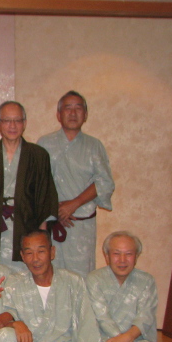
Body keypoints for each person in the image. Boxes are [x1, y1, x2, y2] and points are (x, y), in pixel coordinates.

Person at [37, 91, 115, 275]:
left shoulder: (94, 146)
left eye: (78, 108)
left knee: (81, 277)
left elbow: (104, 182)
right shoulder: (45, 144)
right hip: (51, 222)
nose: (73, 113)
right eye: (67, 108)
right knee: (50, 274)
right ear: (59, 114)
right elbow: (36, 183)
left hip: (81, 226)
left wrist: (73, 204)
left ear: (85, 114)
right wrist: (55, 209)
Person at [0, 101, 58, 272]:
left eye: (17, 120)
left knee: (24, 275)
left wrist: (42, 238)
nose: (12, 126)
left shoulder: (38, 155)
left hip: (26, 225)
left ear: (24, 123)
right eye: (7, 120)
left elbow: (44, 198)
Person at [88, 231, 158, 342]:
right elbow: (102, 318)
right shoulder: (94, 279)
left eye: (128, 254)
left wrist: (126, 340)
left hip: (137, 338)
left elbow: (145, 317)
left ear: (136, 256)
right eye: (116, 253)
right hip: (104, 339)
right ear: (107, 256)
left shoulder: (146, 281)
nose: (122, 260)